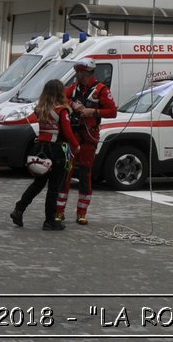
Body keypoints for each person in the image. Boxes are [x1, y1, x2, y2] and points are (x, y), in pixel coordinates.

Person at [9, 79, 79, 231]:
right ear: (61, 92)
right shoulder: (62, 111)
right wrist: (76, 146)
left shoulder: (40, 109)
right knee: (54, 187)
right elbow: (67, 132)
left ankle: (19, 209)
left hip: (40, 149)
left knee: (38, 183)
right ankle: (50, 221)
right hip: (56, 150)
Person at [58, 59, 116, 225]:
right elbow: (61, 99)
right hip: (72, 136)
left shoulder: (101, 90)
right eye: (78, 74)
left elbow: (112, 111)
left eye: (81, 74)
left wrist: (93, 111)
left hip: (89, 137)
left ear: (89, 74)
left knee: (85, 173)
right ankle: (59, 211)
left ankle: (81, 213)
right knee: (66, 172)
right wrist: (71, 103)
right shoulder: (73, 89)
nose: (78, 77)